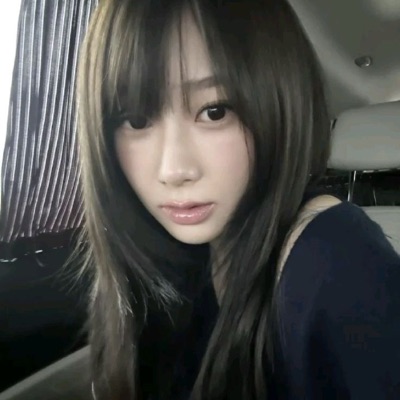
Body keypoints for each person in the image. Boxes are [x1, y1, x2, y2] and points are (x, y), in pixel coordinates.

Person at [75, 0, 400, 399]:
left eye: (214, 111)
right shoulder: (164, 259)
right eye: (137, 120)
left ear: (279, 104)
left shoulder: (337, 261)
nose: (174, 170)